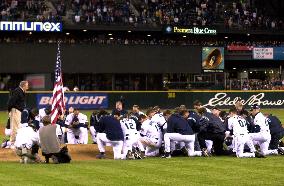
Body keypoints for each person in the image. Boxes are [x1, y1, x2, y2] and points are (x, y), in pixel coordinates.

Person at [7, 81, 29, 148]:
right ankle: (12, 143)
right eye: (27, 85)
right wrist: (10, 110)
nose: (28, 86)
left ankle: (14, 142)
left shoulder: (21, 91)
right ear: (23, 86)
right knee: (15, 127)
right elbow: (11, 101)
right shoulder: (18, 91)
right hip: (15, 110)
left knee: (17, 127)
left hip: (18, 111)